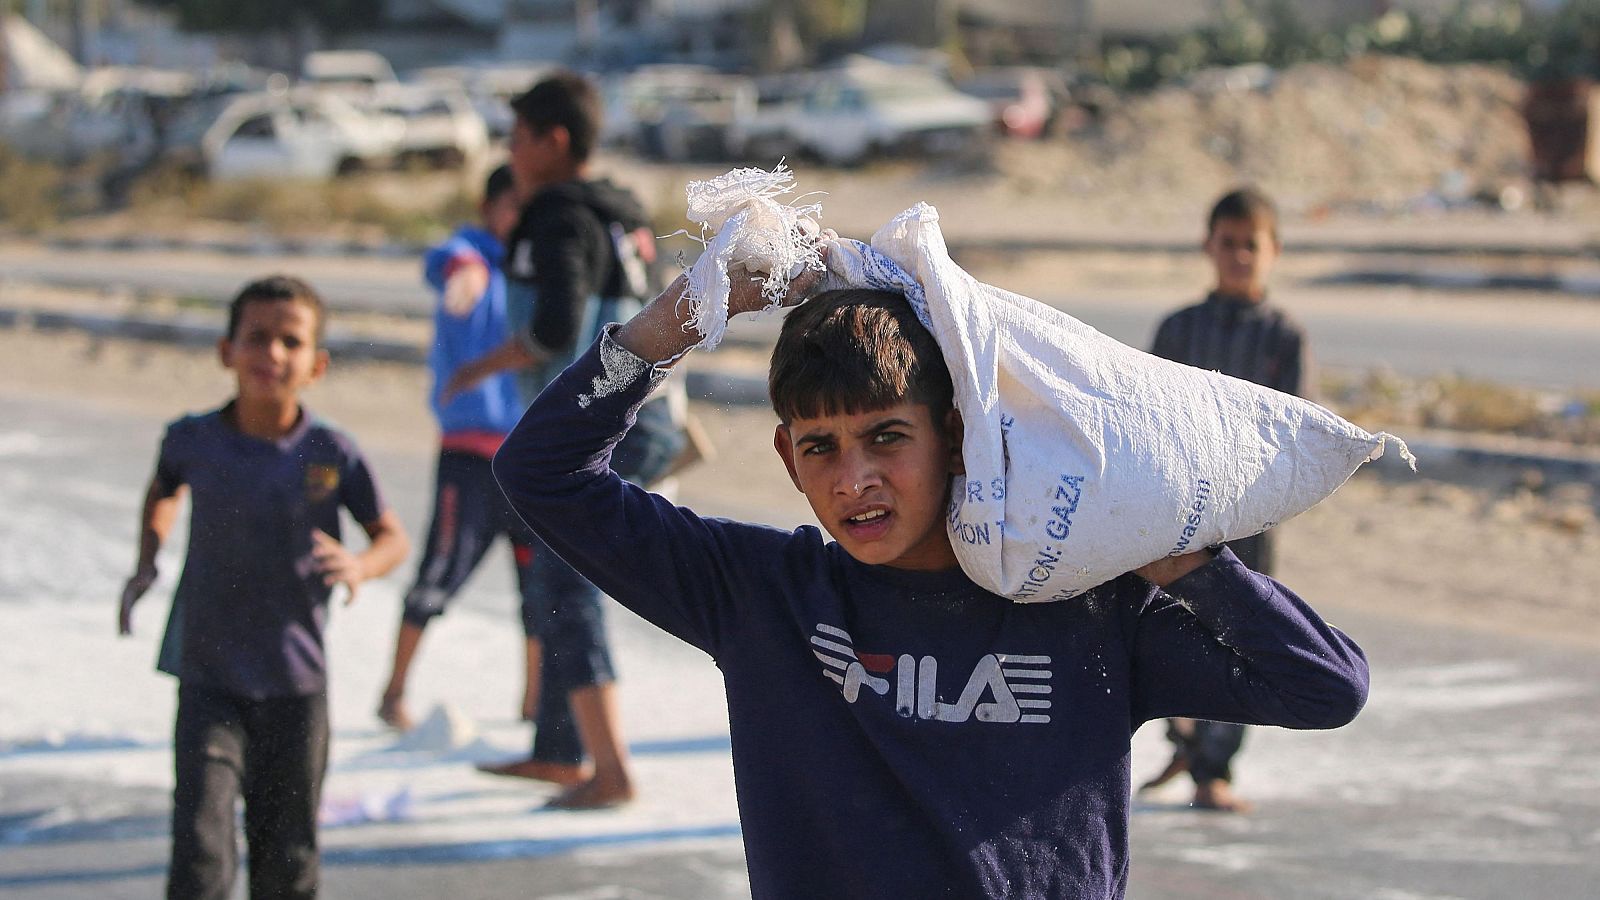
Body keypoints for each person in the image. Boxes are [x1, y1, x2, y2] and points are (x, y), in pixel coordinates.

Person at [488, 254, 1369, 896]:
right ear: (787, 462)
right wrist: (673, 323)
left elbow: (1325, 686)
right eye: (820, 448)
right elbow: (541, 474)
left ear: (955, 436)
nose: (854, 478)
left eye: (887, 438)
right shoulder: (762, 596)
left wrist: (1176, 557)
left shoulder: (1086, 609)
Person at [118, 275, 409, 899]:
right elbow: (164, 487)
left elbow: (392, 537)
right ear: (227, 351)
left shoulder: (331, 452)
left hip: (296, 687)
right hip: (208, 679)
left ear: (316, 365)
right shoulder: (192, 439)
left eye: (290, 341)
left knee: (288, 860)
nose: (271, 354)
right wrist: (147, 559)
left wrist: (360, 566)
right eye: (256, 338)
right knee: (199, 850)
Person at [447, 71, 683, 809]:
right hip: (647, 419)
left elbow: (553, 329)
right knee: (557, 582)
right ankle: (558, 750)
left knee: (564, 586)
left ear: (553, 141)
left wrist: (476, 368)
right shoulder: (623, 210)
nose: (509, 151)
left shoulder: (553, 213)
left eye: (517, 137)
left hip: (592, 435)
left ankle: (607, 771)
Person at [1140, 186, 1317, 813]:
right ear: (1208, 246)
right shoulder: (1178, 328)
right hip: (1176, 513)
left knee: (1243, 635)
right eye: (1228, 243)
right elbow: (1150, 417)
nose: (1239, 255)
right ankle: (1183, 738)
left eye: (1252, 245)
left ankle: (1215, 768)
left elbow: (1294, 430)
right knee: (1168, 625)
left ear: (1273, 252)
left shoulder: (1284, 337)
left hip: (1250, 516)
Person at [375, 164, 565, 746]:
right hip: (471, 456)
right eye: (513, 206)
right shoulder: (471, 253)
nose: (521, 218)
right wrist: (466, 276)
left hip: (529, 457)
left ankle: (534, 702)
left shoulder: (537, 263)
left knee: (539, 589)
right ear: (491, 208)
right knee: (438, 574)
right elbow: (447, 263)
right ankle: (393, 692)